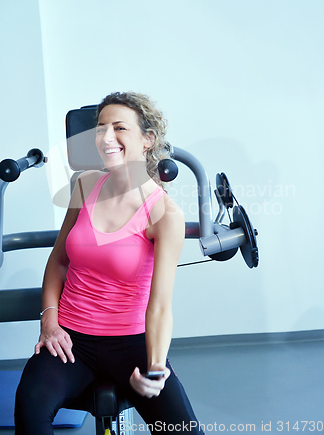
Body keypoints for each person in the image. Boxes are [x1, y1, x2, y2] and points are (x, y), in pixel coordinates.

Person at [15, 92, 203, 434]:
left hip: (132, 343)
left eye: (119, 128)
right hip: (70, 340)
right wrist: (50, 321)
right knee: (30, 410)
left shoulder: (164, 213)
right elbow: (58, 261)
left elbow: (160, 306)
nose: (106, 137)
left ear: (147, 140)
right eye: (100, 129)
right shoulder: (85, 185)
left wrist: (157, 366)